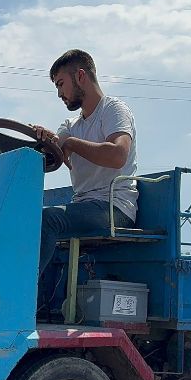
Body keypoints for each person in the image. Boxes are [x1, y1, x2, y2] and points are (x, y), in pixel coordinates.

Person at [32, 49, 138, 273]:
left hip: (114, 208)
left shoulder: (113, 110)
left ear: (80, 76)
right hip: (84, 206)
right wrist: (41, 140)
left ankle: (19, 295)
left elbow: (118, 155)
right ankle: (36, 298)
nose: (59, 93)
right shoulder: (71, 125)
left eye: (61, 84)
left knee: (48, 220)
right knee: (26, 217)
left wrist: (72, 144)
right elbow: (59, 144)